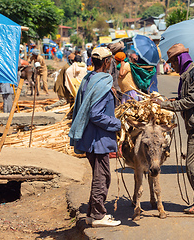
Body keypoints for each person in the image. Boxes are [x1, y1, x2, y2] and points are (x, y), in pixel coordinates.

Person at [155, 43, 194, 214]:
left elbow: (191, 101)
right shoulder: (187, 75)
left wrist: (165, 105)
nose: (172, 66)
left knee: (192, 166)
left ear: (179, 59)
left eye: (173, 62)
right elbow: (187, 98)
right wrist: (175, 100)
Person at [68, 47, 121, 227]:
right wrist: (117, 123)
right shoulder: (102, 84)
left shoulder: (87, 79)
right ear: (107, 62)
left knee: (100, 175)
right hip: (98, 140)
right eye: (110, 61)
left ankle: (91, 213)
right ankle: (98, 216)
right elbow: (96, 114)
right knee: (102, 177)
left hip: (88, 137)